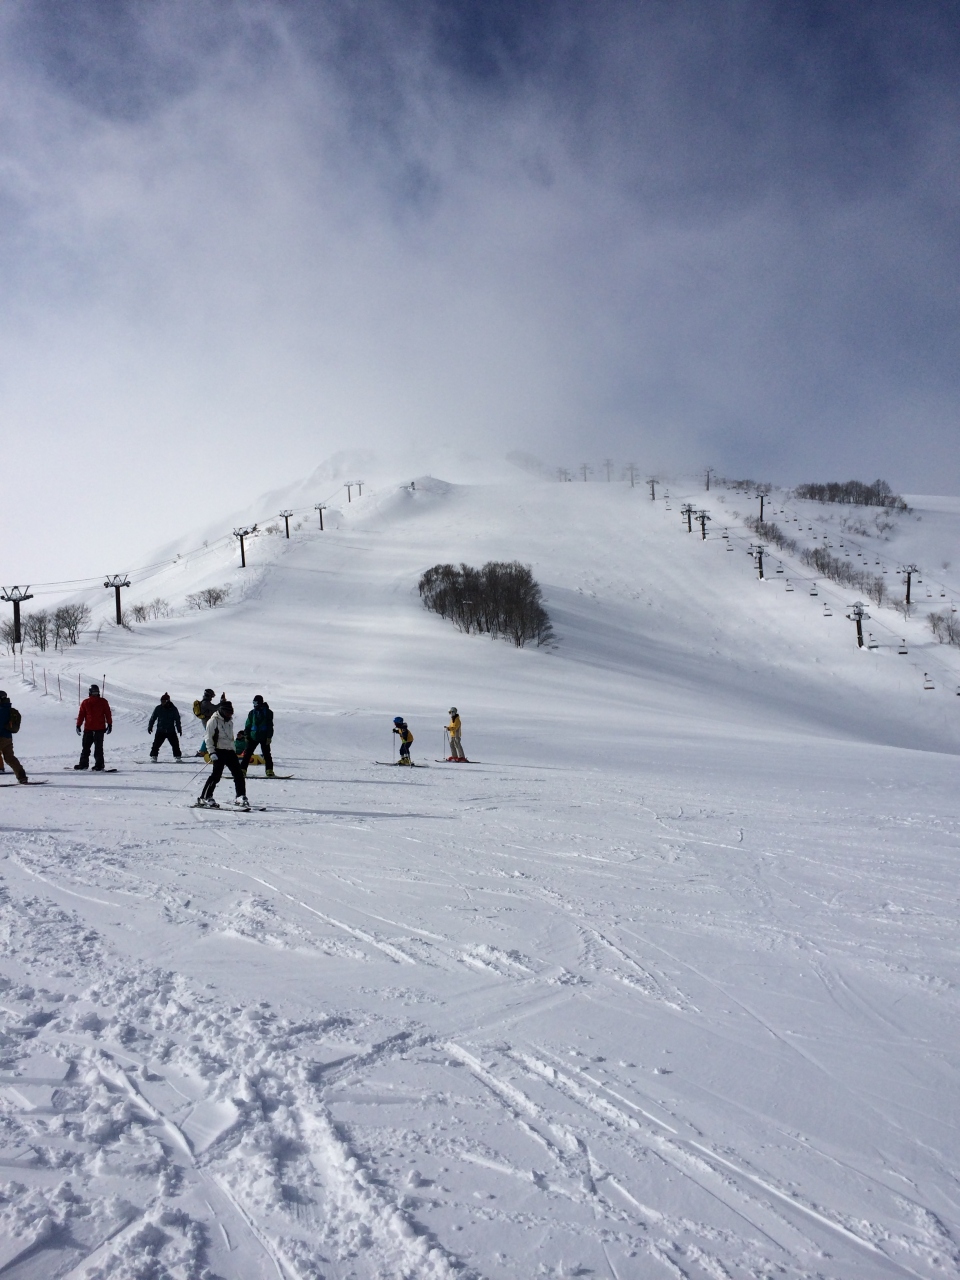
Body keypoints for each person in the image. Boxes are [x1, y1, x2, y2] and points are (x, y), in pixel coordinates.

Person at [197, 699, 249, 809]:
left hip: (229, 751)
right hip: (218, 751)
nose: (229, 715)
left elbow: (230, 738)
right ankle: (205, 797)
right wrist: (211, 752)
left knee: (239, 774)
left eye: (231, 713)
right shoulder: (213, 721)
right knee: (216, 776)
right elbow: (208, 738)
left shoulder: (229, 722)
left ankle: (240, 796)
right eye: (227, 713)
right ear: (222, 711)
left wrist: (233, 749)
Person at [75, 684, 112, 770]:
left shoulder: (101, 702)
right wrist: (78, 725)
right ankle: (86, 764)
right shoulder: (87, 702)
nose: (95, 694)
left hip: (97, 729)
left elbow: (108, 714)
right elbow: (81, 715)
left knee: (94, 749)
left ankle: (96, 765)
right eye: (94, 693)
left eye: (96, 693)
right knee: (87, 748)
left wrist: (109, 724)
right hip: (90, 729)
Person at [240, 695, 275, 776]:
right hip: (253, 736)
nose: (254, 704)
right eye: (253, 702)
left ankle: (269, 770)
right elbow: (248, 725)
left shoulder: (268, 712)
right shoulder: (252, 713)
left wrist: (269, 737)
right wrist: (246, 735)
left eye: (256, 703)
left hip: (264, 736)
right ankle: (242, 770)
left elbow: (270, 725)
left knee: (266, 754)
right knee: (247, 754)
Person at [0, 691, 28, 783]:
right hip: (8, 738)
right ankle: (22, 777)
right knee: (10, 758)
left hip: (0, 737)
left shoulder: (1, 710)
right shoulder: (9, 709)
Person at [148, 693, 183, 761]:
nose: (162, 703)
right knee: (156, 745)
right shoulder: (158, 708)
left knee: (175, 744)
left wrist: (179, 729)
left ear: (168, 701)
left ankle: (177, 756)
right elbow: (153, 718)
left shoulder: (173, 709)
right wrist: (150, 726)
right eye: (161, 701)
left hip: (171, 730)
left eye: (164, 701)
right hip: (160, 730)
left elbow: (177, 720)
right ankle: (154, 756)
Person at [192, 688, 217, 757]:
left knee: (210, 734)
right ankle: (202, 751)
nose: (211, 698)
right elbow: (215, 708)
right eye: (211, 696)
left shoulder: (205, 702)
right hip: (206, 721)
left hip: (206, 720)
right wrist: (222, 703)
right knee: (209, 735)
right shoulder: (205, 703)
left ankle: (205, 750)